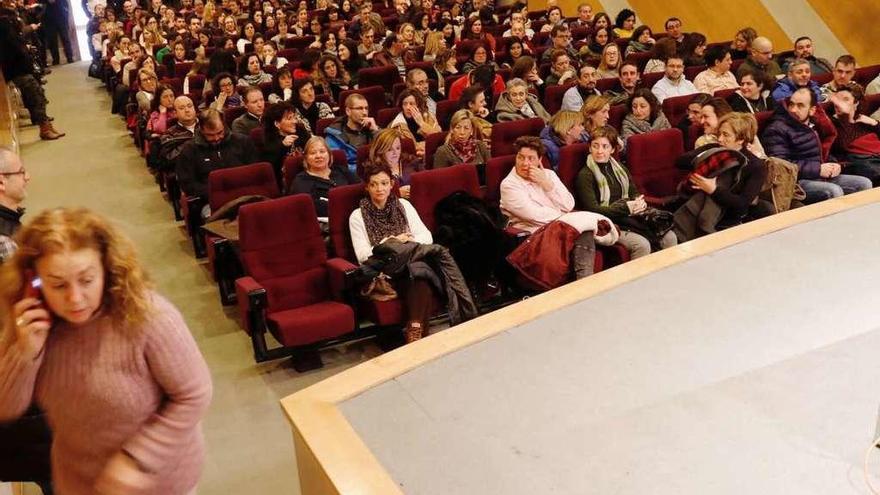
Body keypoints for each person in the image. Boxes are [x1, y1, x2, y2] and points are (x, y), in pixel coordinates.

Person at [0, 207, 212, 495]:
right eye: (58, 285)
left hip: (158, 481)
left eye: (86, 280)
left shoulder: (148, 316)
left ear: (107, 268)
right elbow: (7, 408)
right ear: (34, 282)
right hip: (79, 483)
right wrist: (25, 353)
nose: (75, 299)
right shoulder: (31, 324)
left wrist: (136, 459)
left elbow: (194, 394)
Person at [349, 164, 476, 342]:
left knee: (418, 272)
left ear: (392, 184)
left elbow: (426, 237)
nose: (380, 189)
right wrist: (394, 242)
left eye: (384, 183)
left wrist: (407, 245)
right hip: (384, 271)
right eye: (374, 184)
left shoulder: (404, 205)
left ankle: (414, 331)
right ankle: (417, 332)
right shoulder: (357, 216)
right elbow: (363, 255)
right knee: (419, 272)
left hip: (413, 262)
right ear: (367, 187)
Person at [499, 136, 619, 282]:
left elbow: (569, 205)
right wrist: (566, 217)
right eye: (521, 158)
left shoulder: (549, 175)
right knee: (583, 230)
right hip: (533, 233)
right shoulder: (509, 185)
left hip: (561, 228)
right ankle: (586, 282)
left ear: (539, 160)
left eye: (531, 158)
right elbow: (534, 215)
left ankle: (585, 282)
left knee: (584, 231)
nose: (525, 163)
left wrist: (547, 185)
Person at [576, 126, 677, 257]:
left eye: (605, 146)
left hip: (630, 217)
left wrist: (639, 203)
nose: (599, 151)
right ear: (590, 148)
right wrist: (626, 208)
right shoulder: (585, 175)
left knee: (670, 237)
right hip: (607, 223)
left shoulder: (620, 168)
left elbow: (634, 192)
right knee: (641, 245)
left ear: (612, 149)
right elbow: (593, 209)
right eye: (595, 146)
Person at [762, 87, 871, 203]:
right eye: (791, 104)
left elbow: (823, 151)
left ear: (812, 110)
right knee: (833, 191)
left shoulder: (814, 124)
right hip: (797, 181)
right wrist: (818, 169)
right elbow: (781, 165)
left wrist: (835, 165)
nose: (793, 110)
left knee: (864, 184)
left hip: (819, 175)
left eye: (800, 106)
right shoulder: (776, 129)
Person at [674, 112, 771, 240]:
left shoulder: (755, 166)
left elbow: (742, 204)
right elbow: (680, 162)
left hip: (727, 220)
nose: (720, 139)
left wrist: (713, 190)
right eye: (719, 134)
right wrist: (706, 157)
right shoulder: (715, 149)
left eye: (726, 135)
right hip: (693, 206)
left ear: (741, 139)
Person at [1, 6, 64, 139]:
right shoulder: (4, 24)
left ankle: (45, 125)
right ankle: (44, 128)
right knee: (35, 93)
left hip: (20, 66)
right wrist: (24, 49)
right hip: (15, 69)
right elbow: (12, 46)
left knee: (37, 93)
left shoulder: (7, 21)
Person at [176, 109, 258, 203]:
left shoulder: (243, 141)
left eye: (220, 133)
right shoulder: (189, 150)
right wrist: (216, 193)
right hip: (209, 200)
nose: (216, 138)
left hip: (244, 194)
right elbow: (188, 184)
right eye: (210, 135)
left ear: (224, 126)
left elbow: (254, 170)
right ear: (201, 130)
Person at [290, 136, 360, 218]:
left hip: (355, 215)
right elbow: (309, 209)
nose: (318, 156)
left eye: (322, 151)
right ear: (306, 158)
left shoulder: (341, 170)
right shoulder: (301, 181)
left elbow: (360, 189)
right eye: (313, 153)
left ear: (329, 155)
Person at [827, 83, 880, 185]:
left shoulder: (864, 120)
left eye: (845, 99)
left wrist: (874, 123)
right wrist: (845, 118)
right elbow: (841, 146)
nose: (839, 103)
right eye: (838, 100)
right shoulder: (831, 123)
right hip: (864, 161)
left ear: (856, 103)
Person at [325, 93, 378, 172]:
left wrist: (375, 131)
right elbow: (339, 166)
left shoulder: (372, 128)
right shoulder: (334, 136)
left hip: (376, 172)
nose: (364, 113)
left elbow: (387, 150)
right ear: (348, 111)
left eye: (366, 108)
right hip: (353, 176)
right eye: (360, 108)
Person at [366, 127, 422, 198]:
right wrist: (397, 193)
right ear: (380, 150)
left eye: (398, 148)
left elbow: (426, 181)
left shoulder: (410, 161)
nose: (395, 153)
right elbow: (372, 194)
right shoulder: (373, 170)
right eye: (390, 149)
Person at [262, 101, 309, 181]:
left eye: (294, 117)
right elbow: (272, 167)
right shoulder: (269, 140)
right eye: (289, 118)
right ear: (277, 124)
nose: (295, 121)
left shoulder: (300, 130)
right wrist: (282, 145)